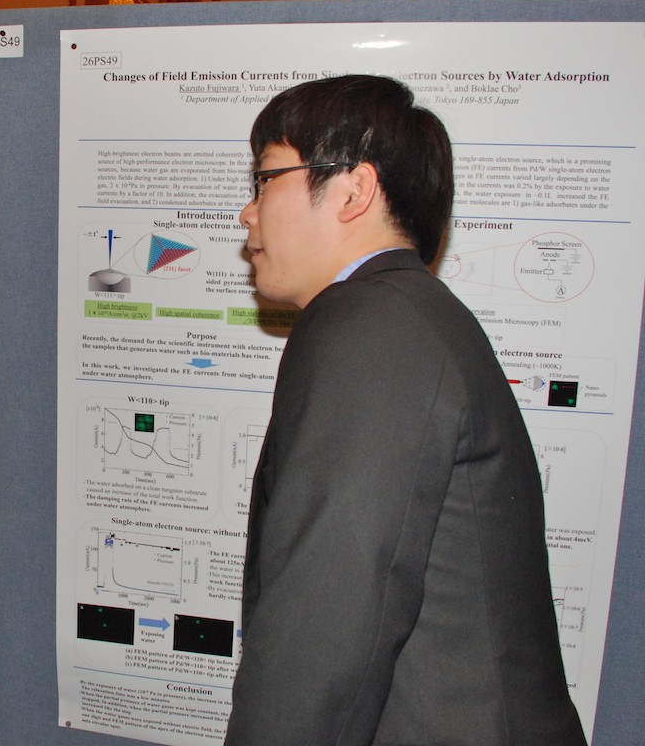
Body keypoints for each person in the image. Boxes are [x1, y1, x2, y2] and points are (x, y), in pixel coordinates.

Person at [223, 75, 586, 745]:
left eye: (265, 178)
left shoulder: (370, 328)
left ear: (353, 189)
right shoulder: (411, 316)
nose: (247, 213)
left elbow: (325, 618)